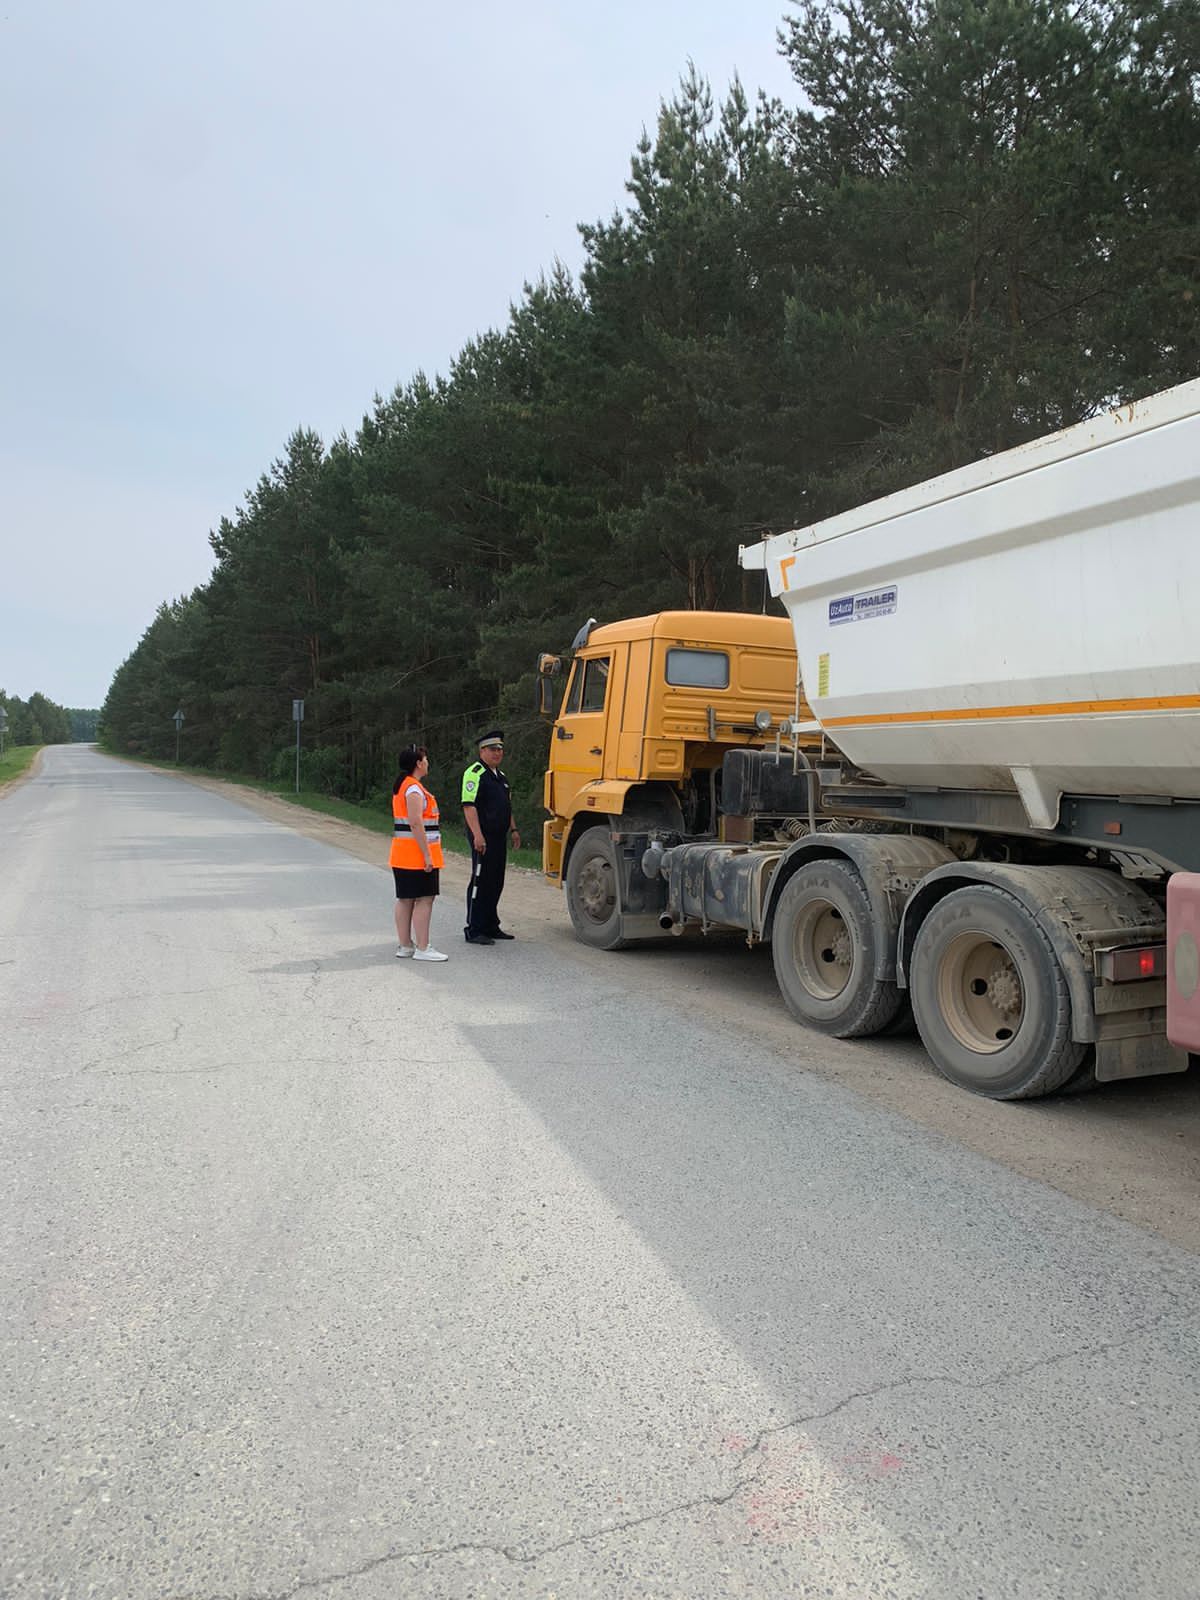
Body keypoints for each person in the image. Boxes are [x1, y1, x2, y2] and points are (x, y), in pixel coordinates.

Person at [461, 729, 521, 945]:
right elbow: (469, 807)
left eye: (500, 750)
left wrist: (513, 829)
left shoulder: (501, 777)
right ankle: (474, 928)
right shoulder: (474, 773)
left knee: (496, 880)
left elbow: (507, 806)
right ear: (482, 750)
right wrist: (477, 835)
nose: (498, 753)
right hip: (482, 836)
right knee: (481, 880)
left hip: (499, 836)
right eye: (493, 749)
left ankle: (491, 924)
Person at [390, 745, 448, 962]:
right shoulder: (414, 789)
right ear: (418, 763)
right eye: (426, 759)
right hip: (416, 856)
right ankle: (423, 947)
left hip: (402, 854)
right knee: (424, 899)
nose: (428, 762)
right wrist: (427, 855)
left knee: (405, 899)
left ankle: (405, 945)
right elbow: (416, 823)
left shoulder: (405, 786)